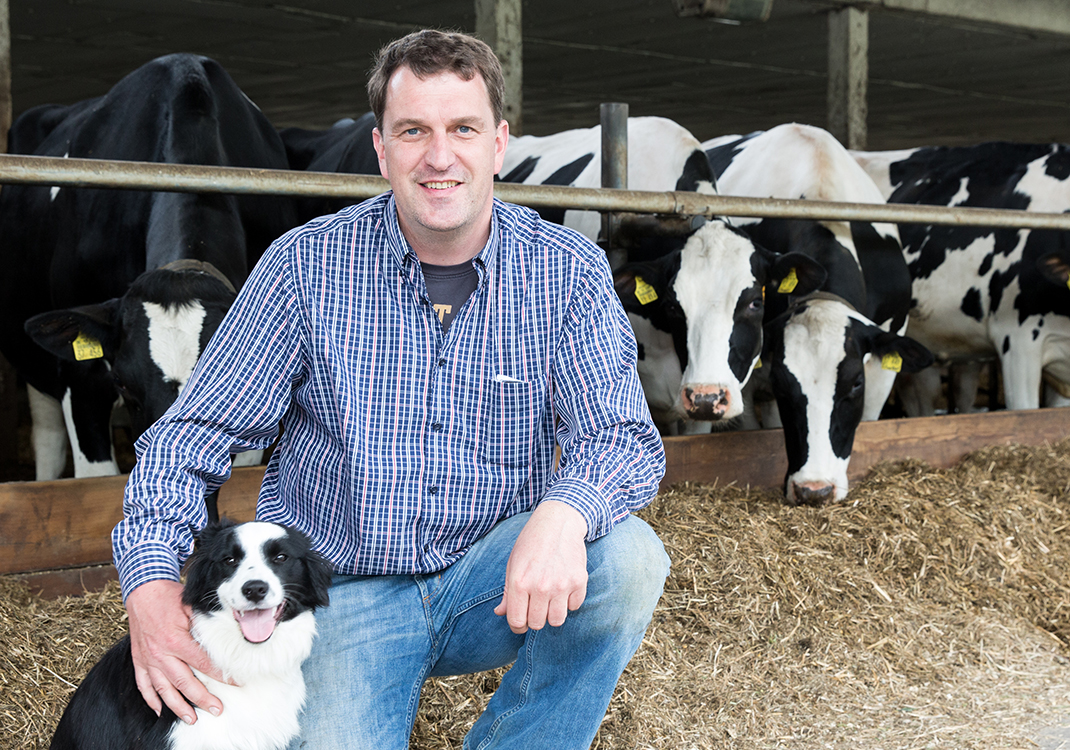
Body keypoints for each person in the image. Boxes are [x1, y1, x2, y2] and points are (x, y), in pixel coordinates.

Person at [112, 29, 669, 749]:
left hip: (492, 584)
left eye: (462, 128)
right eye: (414, 131)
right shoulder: (305, 267)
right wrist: (150, 582)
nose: (440, 156)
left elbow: (622, 438)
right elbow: (191, 437)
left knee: (627, 559)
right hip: (342, 594)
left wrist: (565, 513)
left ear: (499, 144)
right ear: (382, 150)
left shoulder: (567, 273)